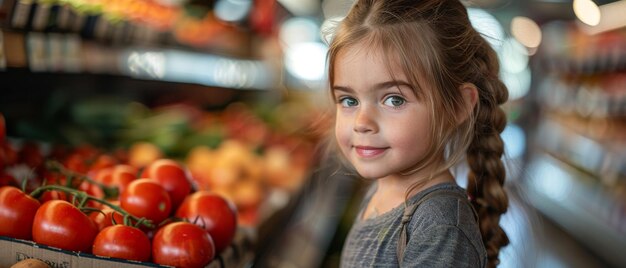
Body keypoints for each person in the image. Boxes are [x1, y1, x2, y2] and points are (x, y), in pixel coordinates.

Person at [325, 0, 509, 267]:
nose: (362, 122)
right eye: (349, 100)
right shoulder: (382, 189)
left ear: (457, 106)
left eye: (394, 100)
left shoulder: (439, 227)